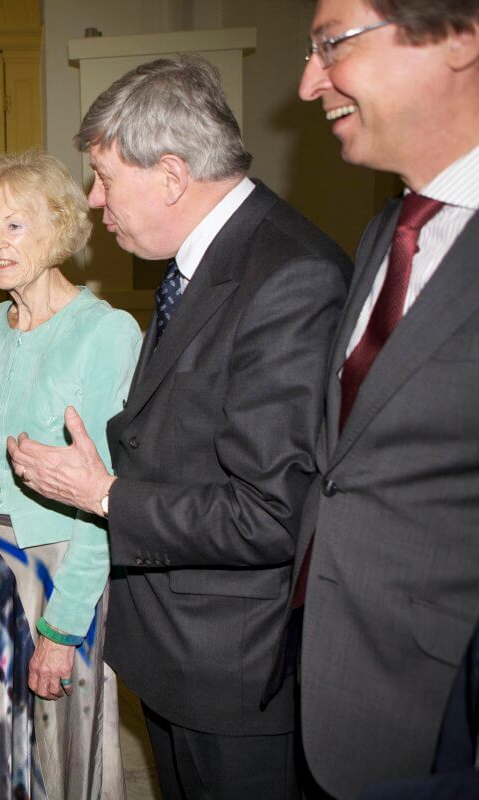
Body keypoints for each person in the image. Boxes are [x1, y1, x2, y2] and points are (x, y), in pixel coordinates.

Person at [7, 56, 351, 800]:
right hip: (177, 651)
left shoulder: (290, 275)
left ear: (169, 174)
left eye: (104, 179)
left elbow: (271, 514)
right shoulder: (197, 263)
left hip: (234, 670)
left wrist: (103, 495)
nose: (96, 203)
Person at [286, 1, 479, 796]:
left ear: (460, 36)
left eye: (331, 44)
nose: (305, 84)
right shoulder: (385, 233)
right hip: (332, 681)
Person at [0, 149, 140, 800]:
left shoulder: (105, 331)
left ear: (60, 227)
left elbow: (109, 496)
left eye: (14, 225)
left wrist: (63, 625)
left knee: (53, 755)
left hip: (55, 568)